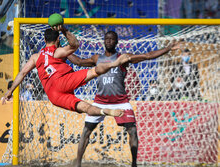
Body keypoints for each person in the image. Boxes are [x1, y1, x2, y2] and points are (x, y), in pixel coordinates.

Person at [69, 31, 180, 167]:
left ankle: (134, 164)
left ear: (116, 42)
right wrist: (64, 52)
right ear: (104, 41)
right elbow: (79, 62)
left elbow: (147, 55)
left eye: (112, 39)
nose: (109, 41)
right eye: (107, 39)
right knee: (86, 131)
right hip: (100, 101)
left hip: (120, 101)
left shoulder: (123, 58)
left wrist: (168, 48)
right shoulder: (97, 58)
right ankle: (78, 163)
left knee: (132, 131)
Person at [1, 25, 131, 118]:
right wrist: (63, 29)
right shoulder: (57, 52)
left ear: (45, 40)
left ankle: (104, 111)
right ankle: (114, 63)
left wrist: (9, 91)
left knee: (84, 108)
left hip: (53, 95)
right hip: (62, 81)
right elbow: (75, 44)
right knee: (93, 72)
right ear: (57, 40)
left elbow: (22, 73)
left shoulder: (35, 57)